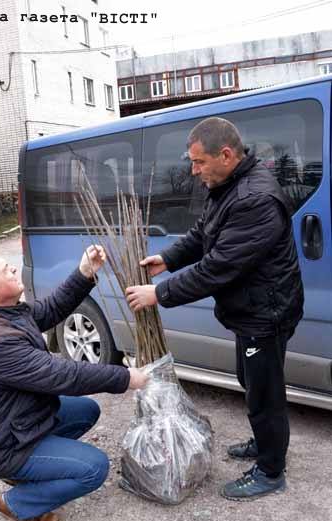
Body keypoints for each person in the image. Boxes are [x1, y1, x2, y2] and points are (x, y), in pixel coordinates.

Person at [125, 117, 304, 501]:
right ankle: (265, 443)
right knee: (250, 379)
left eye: (199, 162)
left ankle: (271, 470)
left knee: (264, 394)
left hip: (266, 313)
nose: (193, 171)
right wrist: (168, 259)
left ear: (225, 155)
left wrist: (159, 294)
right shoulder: (227, 185)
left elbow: (217, 268)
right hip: (252, 309)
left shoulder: (254, 199)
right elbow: (203, 232)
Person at [0, 245, 148, 521]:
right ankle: (18, 503)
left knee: (86, 410)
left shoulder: (1, 312)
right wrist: (125, 377)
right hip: (5, 444)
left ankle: (34, 473)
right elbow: (64, 376)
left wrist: (85, 272)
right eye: (5, 270)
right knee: (94, 468)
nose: (13, 268)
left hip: (20, 421)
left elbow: (51, 309)